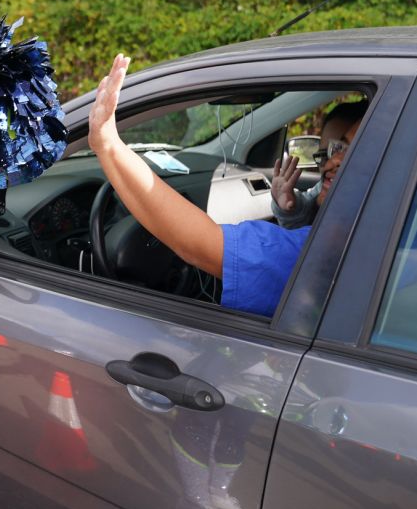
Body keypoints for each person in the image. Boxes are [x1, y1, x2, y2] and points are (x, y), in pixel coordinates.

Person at [87, 55, 364, 317]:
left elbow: (197, 244)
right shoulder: (385, 236)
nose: (333, 160)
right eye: (334, 149)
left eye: (354, 150)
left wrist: (108, 144)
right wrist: (290, 211)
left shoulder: (326, 256)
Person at [270, 100, 369, 228]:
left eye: (352, 151)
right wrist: (291, 209)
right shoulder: (324, 187)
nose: (331, 162)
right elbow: (309, 209)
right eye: (324, 154)